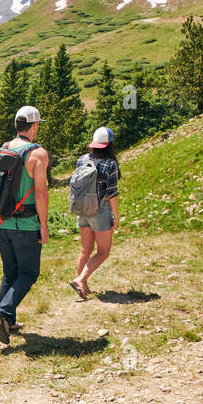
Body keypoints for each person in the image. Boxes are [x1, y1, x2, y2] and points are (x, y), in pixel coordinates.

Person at [0, 105, 50, 345]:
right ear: (34, 126)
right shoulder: (38, 154)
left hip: (0, 222)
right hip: (25, 224)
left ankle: (8, 322)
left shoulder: (2, 149)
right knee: (29, 273)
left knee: (10, 272)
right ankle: (2, 314)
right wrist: (43, 225)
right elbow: (41, 193)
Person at [70, 126, 120, 300]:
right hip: (100, 209)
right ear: (110, 144)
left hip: (82, 208)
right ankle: (80, 279)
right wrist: (116, 215)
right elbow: (112, 193)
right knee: (103, 252)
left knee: (86, 249)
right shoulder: (110, 164)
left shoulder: (82, 160)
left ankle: (83, 288)